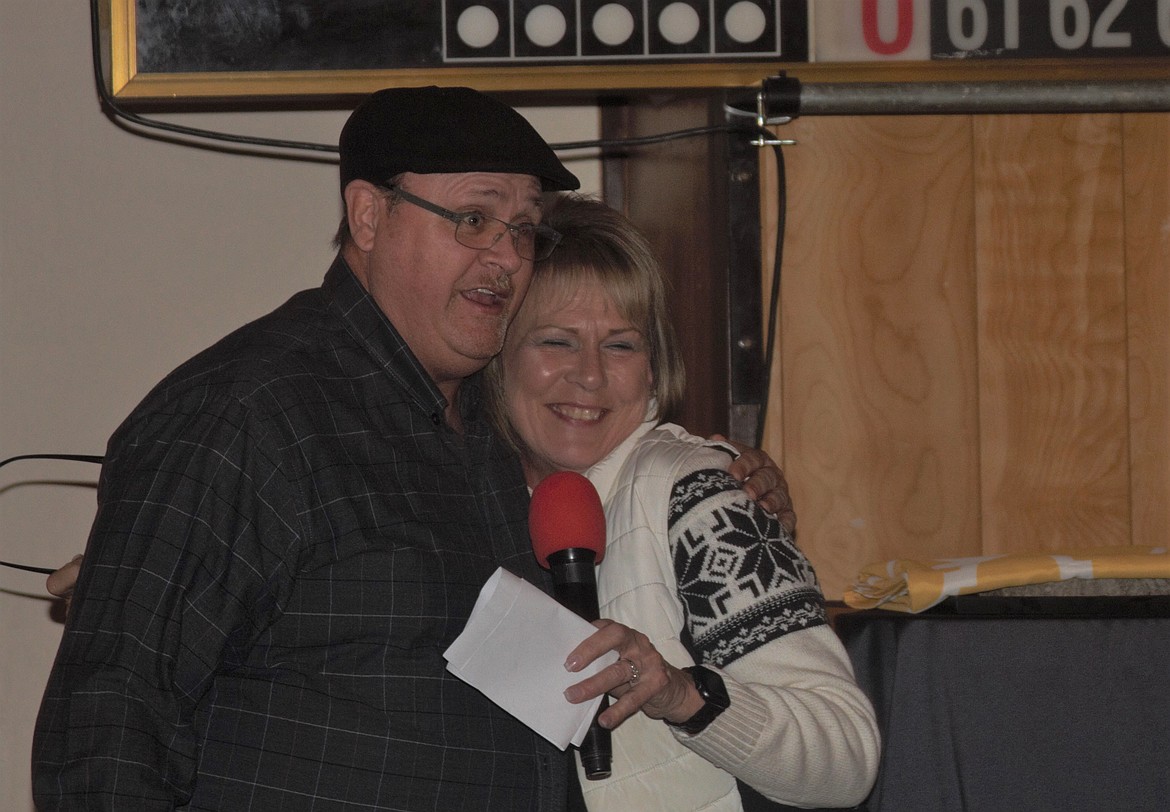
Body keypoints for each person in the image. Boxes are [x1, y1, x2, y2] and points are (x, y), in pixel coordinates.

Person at [33, 86, 793, 810]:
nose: (506, 256)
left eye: (525, 227)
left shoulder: (486, 428)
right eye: (472, 219)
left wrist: (724, 485)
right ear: (368, 216)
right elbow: (110, 721)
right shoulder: (249, 413)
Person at [483, 194, 881, 810]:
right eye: (556, 342)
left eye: (620, 345)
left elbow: (844, 759)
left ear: (653, 368)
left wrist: (680, 695)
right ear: (498, 355)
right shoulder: (461, 496)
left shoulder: (702, 502)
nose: (589, 376)